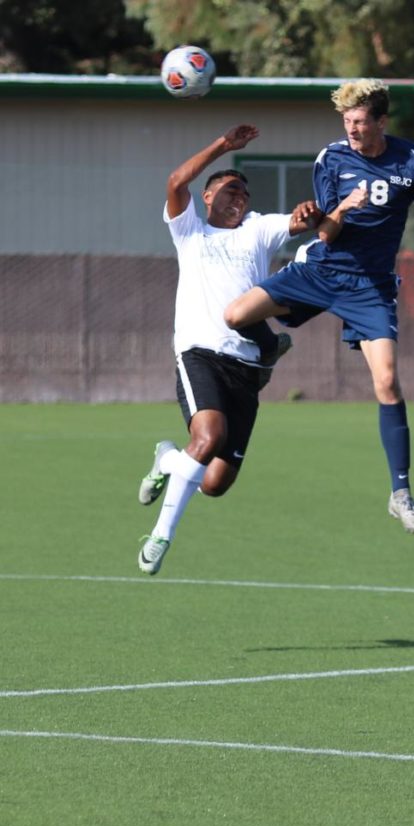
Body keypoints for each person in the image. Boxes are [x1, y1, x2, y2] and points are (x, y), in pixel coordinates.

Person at [223, 78, 414, 534]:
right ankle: (269, 349)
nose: (351, 128)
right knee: (236, 316)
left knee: (387, 382)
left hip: (370, 286)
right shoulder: (331, 159)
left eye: (359, 121)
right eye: (346, 121)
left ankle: (401, 493)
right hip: (320, 271)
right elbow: (325, 235)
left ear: (381, 122)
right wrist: (344, 206)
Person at [137, 124, 322, 575]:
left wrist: (306, 214)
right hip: (199, 352)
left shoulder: (257, 230)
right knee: (208, 438)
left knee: (216, 482)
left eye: (244, 193)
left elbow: (298, 223)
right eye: (229, 189)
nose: (239, 197)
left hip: (247, 366)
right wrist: (224, 146)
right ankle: (160, 536)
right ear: (207, 197)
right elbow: (175, 183)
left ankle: (167, 457)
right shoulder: (191, 233)